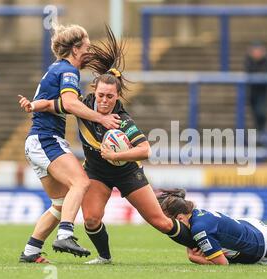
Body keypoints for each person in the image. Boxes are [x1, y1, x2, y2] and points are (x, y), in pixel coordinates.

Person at [18, 26, 197, 264]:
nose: (104, 100)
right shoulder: (85, 107)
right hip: (97, 171)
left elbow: (144, 150)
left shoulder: (123, 120)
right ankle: (103, 257)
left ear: (117, 97)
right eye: (101, 95)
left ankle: (202, 244)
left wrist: (118, 155)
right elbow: (59, 104)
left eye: (110, 96)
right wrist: (34, 105)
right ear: (94, 91)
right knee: (91, 219)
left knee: (160, 221)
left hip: (127, 172)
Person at [244, 41, 267, 141]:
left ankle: (263, 134)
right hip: (252, 92)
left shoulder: (266, 60)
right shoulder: (249, 60)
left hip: (262, 92)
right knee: (255, 113)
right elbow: (248, 70)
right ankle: (259, 134)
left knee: (262, 113)